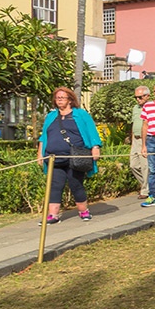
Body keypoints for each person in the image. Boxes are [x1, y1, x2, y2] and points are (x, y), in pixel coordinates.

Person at [36, 87, 102, 224]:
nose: (59, 100)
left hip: (74, 157)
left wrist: (95, 147)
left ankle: (83, 211)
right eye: (57, 98)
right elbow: (44, 136)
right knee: (55, 186)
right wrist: (40, 154)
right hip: (54, 158)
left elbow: (91, 131)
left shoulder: (81, 114)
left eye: (62, 97)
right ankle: (53, 215)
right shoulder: (51, 116)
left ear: (70, 100)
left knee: (75, 184)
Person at [130, 85, 151, 199]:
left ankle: (145, 190)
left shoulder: (151, 107)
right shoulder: (135, 108)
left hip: (146, 139)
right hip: (136, 139)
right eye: (136, 97)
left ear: (147, 96)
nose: (138, 99)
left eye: (140, 97)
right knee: (133, 165)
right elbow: (134, 123)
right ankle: (148, 185)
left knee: (144, 166)